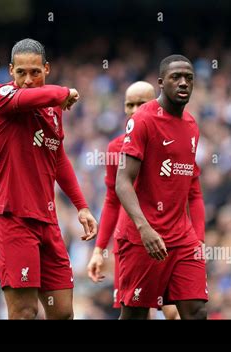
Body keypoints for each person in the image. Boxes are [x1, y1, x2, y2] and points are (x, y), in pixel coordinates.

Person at [0, 38, 98, 319]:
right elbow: (30, 96)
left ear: (46, 69)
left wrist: (82, 206)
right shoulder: (1, 98)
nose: (27, 80)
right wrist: (64, 91)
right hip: (13, 220)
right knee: (24, 312)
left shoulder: (53, 108)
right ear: (10, 71)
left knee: (62, 313)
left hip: (47, 222)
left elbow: (57, 157)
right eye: (20, 72)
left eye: (35, 72)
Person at [115, 55, 208, 319]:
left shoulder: (191, 125)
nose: (183, 83)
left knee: (197, 311)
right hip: (143, 238)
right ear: (160, 83)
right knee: (135, 314)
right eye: (175, 77)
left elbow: (193, 188)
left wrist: (198, 238)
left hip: (182, 238)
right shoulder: (144, 119)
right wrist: (144, 228)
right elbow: (122, 182)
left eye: (189, 78)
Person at [87, 81, 180, 319]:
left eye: (142, 103)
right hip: (129, 242)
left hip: (167, 236)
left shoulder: (174, 142)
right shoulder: (116, 148)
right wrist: (99, 249)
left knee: (175, 310)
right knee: (138, 313)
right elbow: (112, 200)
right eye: (130, 104)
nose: (135, 109)